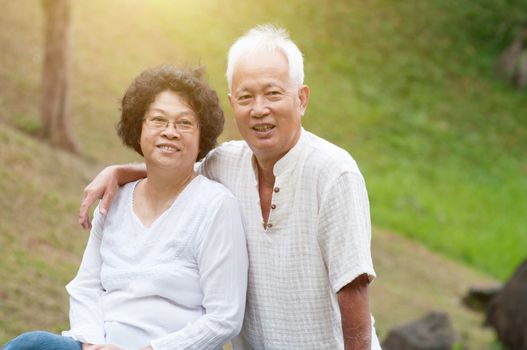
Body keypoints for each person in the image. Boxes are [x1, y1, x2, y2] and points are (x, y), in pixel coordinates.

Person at [78, 25, 382, 350]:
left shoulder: (334, 173)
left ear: (301, 99)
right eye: (246, 97)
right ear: (232, 102)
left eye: (273, 93)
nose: (259, 108)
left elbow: (354, 291)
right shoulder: (226, 163)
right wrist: (118, 172)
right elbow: (171, 166)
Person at [4, 66, 248, 350]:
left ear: (200, 135)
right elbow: (86, 286)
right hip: (97, 345)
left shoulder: (216, 206)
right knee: (32, 345)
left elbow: (225, 318)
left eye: (184, 123)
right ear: (139, 127)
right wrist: (92, 345)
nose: (170, 132)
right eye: (158, 119)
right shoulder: (114, 200)